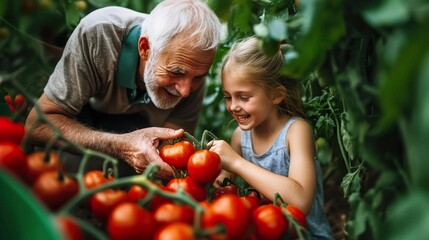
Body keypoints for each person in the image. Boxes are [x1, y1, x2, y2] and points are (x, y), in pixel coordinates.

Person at [25, 0, 223, 178]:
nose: (186, 91)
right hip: (80, 114)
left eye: (198, 77)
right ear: (145, 49)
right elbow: (38, 124)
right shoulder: (99, 36)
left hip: (136, 128)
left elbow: (171, 146)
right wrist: (120, 145)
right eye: (175, 72)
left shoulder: (193, 68)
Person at [209, 37, 332, 239]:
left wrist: (237, 164)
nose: (233, 106)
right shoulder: (240, 137)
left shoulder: (296, 131)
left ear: (276, 95)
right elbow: (224, 186)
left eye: (244, 97)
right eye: (228, 96)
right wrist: (218, 176)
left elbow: (300, 201)